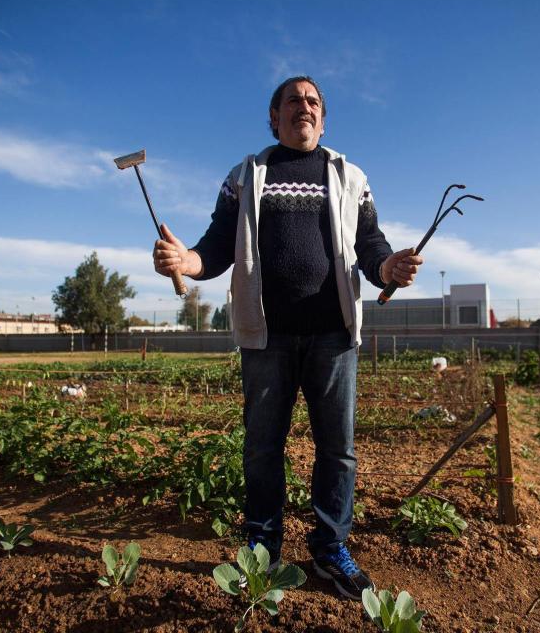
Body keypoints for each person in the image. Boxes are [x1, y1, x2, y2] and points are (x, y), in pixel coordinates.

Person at [153, 76, 423, 600]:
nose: (305, 107)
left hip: (332, 337)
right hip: (267, 336)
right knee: (261, 448)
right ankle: (262, 547)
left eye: (313, 102)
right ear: (273, 117)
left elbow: (371, 244)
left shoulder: (351, 176)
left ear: (323, 118)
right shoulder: (246, 175)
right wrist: (185, 260)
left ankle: (329, 548)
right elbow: (216, 245)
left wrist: (387, 266)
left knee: (338, 450)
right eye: (294, 101)